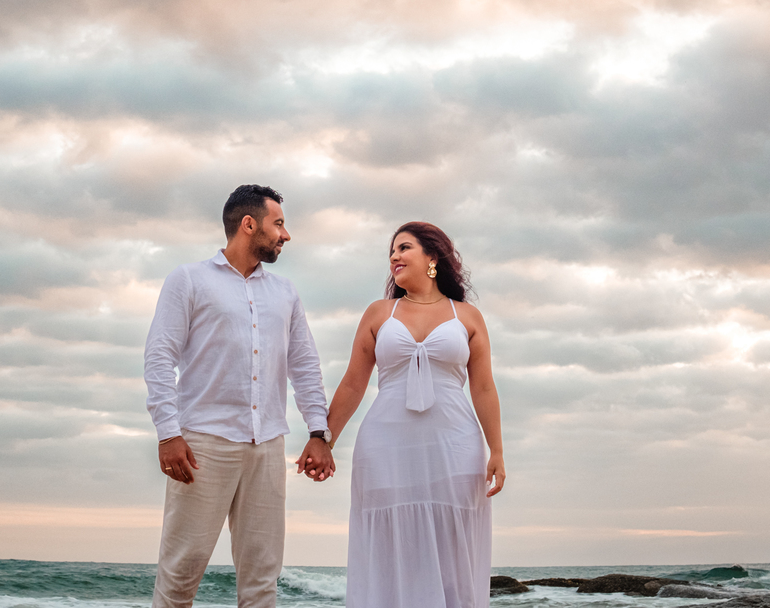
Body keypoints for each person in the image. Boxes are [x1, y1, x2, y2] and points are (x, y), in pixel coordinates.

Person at [143, 185, 335, 608]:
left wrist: (319, 433)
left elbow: (304, 365)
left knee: (262, 581)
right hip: (202, 446)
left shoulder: (286, 293)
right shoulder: (189, 280)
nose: (286, 235)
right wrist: (167, 433)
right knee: (180, 575)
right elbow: (160, 357)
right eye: (278, 223)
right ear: (249, 225)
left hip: (267, 446)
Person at [321, 221, 505, 608]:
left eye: (404, 248)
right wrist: (323, 440)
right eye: (391, 252)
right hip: (385, 449)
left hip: (454, 447)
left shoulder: (467, 317)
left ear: (432, 257)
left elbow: (484, 388)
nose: (394, 256)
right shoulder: (379, 313)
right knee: (390, 546)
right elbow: (353, 384)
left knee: (453, 551)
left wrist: (498, 451)